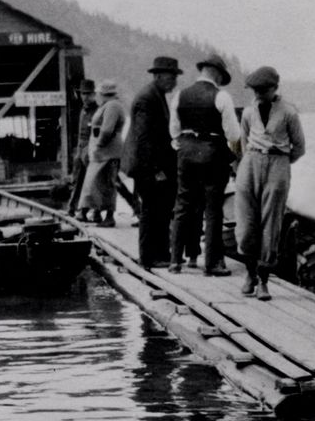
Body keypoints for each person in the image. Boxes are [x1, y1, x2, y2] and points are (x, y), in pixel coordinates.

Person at [233, 65, 305, 301]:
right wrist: (249, 164)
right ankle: (249, 273)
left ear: (275, 88)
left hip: (278, 164)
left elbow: (299, 147)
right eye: (255, 90)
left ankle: (263, 279)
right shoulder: (248, 112)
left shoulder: (288, 112)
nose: (258, 94)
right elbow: (243, 143)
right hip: (250, 163)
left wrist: (281, 163)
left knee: (271, 223)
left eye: (263, 90)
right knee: (245, 225)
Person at [168, 54, 242, 275]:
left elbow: (174, 131)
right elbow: (234, 134)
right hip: (212, 156)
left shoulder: (180, 95)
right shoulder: (221, 97)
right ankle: (212, 264)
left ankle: (175, 261)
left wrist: (186, 144)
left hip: (186, 154)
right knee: (213, 209)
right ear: (218, 74)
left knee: (182, 205)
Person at [123, 56, 181, 269]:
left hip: (152, 167)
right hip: (148, 168)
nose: (174, 81)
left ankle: (162, 254)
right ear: (157, 76)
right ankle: (148, 257)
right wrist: (155, 169)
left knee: (161, 210)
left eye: (175, 77)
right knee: (151, 211)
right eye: (171, 76)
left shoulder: (156, 96)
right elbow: (143, 138)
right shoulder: (147, 99)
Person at [76, 80, 127, 226]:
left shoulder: (112, 106)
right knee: (97, 183)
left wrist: (98, 145)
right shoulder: (110, 105)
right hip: (104, 152)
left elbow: (106, 130)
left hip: (107, 152)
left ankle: (109, 217)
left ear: (103, 93)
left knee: (106, 184)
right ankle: (96, 213)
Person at [66, 79, 98, 216]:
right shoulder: (82, 110)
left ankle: (92, 211)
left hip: (91, 150)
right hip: (80, 150)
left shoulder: (97, 111)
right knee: (77, 180)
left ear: (93, 94)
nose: (85, 96)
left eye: (88, 94)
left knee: (94, 181)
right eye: (83, 94)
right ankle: (72, 208)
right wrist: (78, 151)